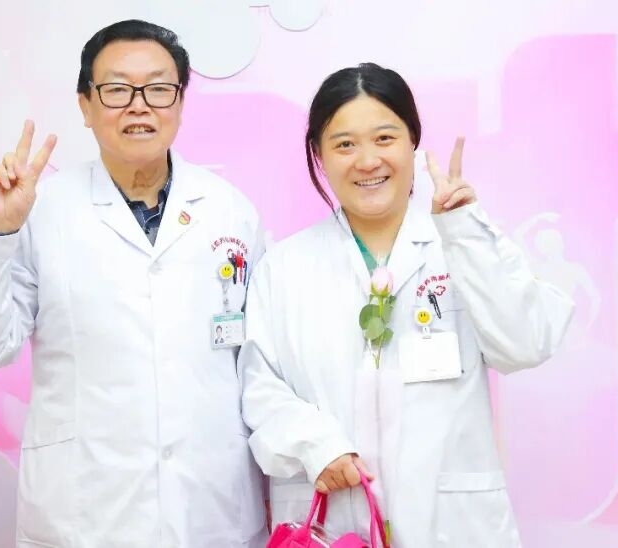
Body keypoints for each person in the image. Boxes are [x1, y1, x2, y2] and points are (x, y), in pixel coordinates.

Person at [0, 19, 266, 547]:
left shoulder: (230, 211)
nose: (139, 106)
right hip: (87, 509)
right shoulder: (41, 211)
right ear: (85, 106)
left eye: (158, 88)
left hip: (210, 503)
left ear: (180, 102)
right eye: (116, 89)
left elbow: (260, 360)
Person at [238, 63, 575, 547]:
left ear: (413, 141)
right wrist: (316, 446)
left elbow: (523, 344)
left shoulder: (459, 246)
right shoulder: (285, 268)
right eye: (344, 144)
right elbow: (259, 387)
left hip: (449, 524)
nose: (367, 160)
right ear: (318, 155)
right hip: (335, 523)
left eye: (384, 138)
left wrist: (465, 234)